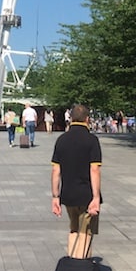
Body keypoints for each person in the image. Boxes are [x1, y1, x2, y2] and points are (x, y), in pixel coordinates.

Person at [50, 103, 102, 259]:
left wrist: (55, 196)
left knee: (73, 229)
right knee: (85, 232)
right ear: (87, 119)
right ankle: (80, 268)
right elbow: (94, 170)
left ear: (71, 118)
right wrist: (96, 197)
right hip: (86, 194)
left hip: (68, 194)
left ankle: (71, 263)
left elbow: (56, 171)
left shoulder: (61, 140)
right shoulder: (91, 140)